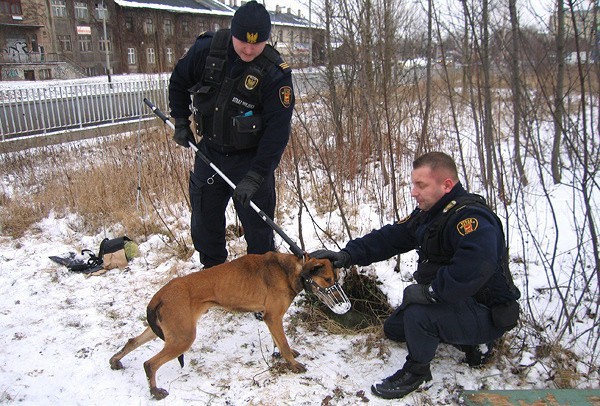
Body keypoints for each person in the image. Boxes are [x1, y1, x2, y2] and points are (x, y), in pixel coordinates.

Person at [311, 152, 521, 400]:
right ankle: (453, 333)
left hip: (486, 311)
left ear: (446, 185)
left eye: (421, 185)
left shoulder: (471, 219)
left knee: (418, 314)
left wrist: (430, 293)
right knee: (395, 329)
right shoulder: (432, 213)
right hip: (455, 301)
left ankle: (418, 371)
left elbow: (474, 268)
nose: (413, 192)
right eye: (413, 184)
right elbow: (391, 237)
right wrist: (347, 255)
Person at [168, 1, 295, 268]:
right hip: (210, 151)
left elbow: (277, 132)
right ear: (233, 32)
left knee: (258, 230)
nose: (249, 49)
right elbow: (178, 81)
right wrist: (181, 120)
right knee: (205, 222)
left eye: (257, 43)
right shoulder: (208, 50)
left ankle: (261, 288)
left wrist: (256, 175)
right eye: (243, 42)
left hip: (250, 160)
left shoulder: (275, 73)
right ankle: (214, 275)